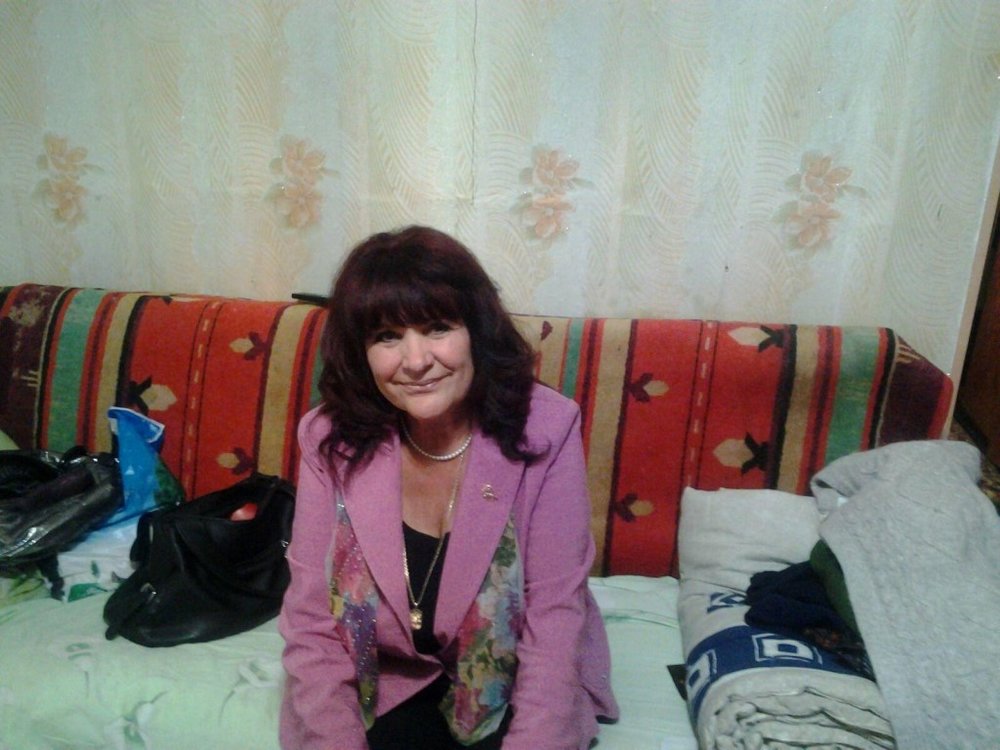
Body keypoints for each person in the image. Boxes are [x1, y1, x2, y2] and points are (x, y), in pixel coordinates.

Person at [279, 226, 619, 749]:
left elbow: (554, 618)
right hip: (387, 678)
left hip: (510, 678)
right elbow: (311, 624)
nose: (416, 361)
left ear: (477, 330)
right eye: (386, 336)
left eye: (437, 327)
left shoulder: (546, 428)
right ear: (360, 351)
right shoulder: (329, 438)